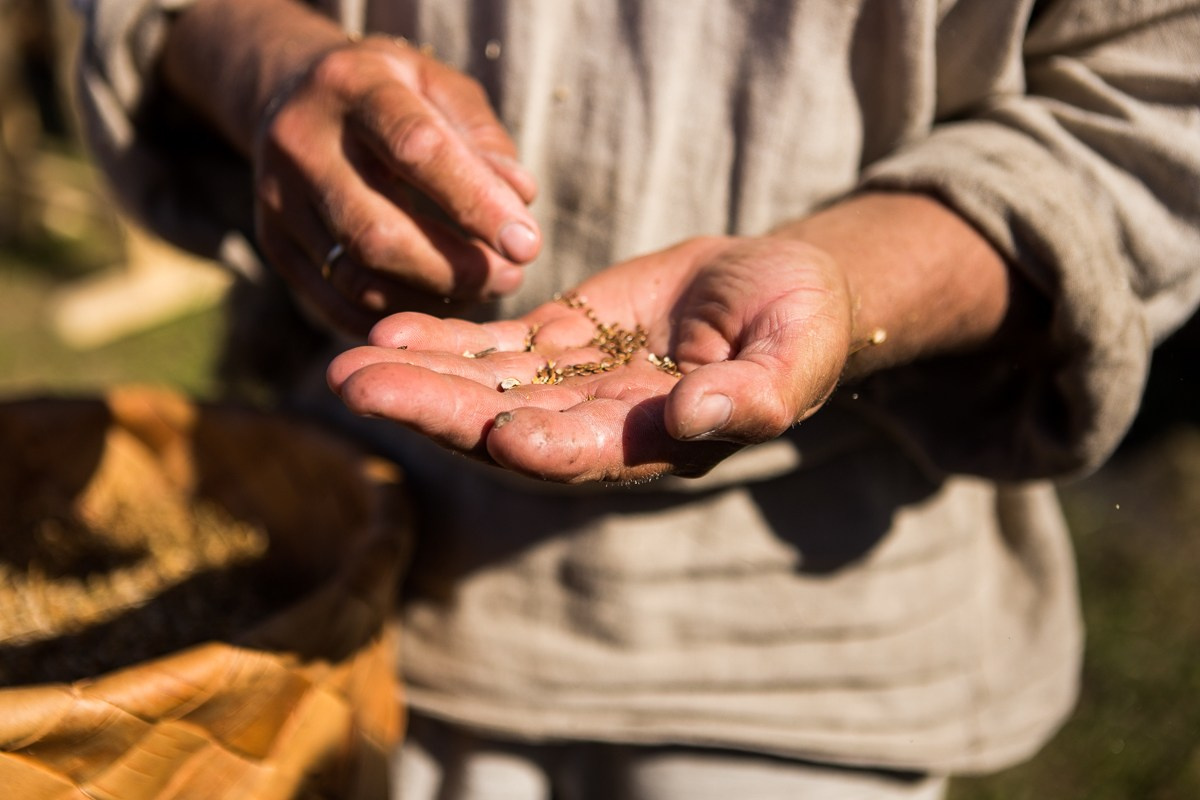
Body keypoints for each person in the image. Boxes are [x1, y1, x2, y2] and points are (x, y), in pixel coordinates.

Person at [75, 0, 1200, 797]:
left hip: (811, 649)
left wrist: (852, 285)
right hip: (358, 581)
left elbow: (1152, 106)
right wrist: (267, 61)